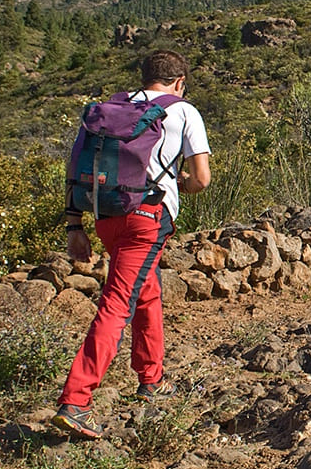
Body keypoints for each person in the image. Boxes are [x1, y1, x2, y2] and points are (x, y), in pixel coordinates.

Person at [53, 49, 211, 439]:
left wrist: (75, 226)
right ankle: (76, 400)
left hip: (106, 213)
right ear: (179, 83)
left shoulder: (110, 109)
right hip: (147, 217)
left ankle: (151, 378)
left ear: (144, 77)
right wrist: (178, 188)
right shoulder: (184, 111)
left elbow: (76, 167)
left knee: (147, 291)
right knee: (118, 303)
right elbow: (202, 178)